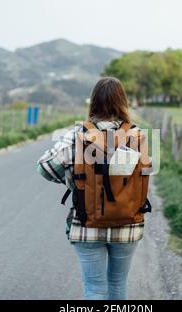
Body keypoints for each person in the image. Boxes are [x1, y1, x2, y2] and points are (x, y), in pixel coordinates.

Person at [37, 77, 150, 300]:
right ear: (123, 102)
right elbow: (143, 176)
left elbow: (44, 167)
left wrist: (73, 180)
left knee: (94, 290)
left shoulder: (77, 136)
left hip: (86, 224)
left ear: (94, 102)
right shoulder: (138, 137)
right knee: (118, 285)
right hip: (128, 225)